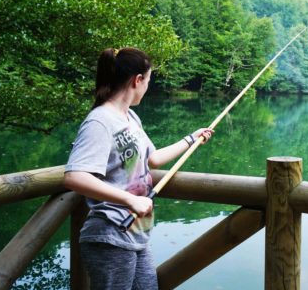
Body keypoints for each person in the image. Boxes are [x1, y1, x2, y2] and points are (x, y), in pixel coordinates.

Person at [64, 47, 213, 289]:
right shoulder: (100, 121)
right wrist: (129, 200)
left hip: (136, 234)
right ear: (138, 80)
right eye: (149, 80)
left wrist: (191, 139)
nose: (148, 87)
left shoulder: (131, 118)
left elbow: (152, 159)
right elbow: (74, 176)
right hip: (109, 235)